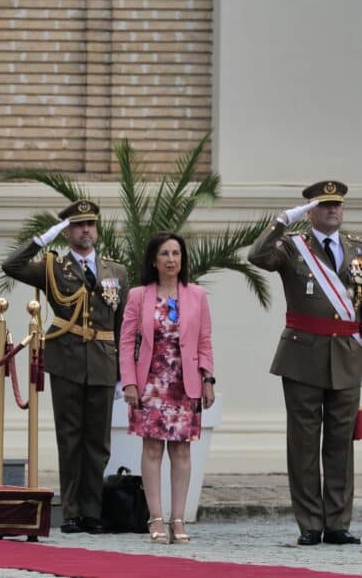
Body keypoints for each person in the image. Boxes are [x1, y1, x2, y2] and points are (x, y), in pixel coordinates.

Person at [2, 200, 128, 534]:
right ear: (67, 232)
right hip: (67, 360)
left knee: (98, 442)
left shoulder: (116, 271)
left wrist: (122, 374)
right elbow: (11, 266)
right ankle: (72, 511)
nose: (86, 230)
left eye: (90, 224)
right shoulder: (53, 267)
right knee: (70, 438)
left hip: (103, 361)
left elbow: (124, 326)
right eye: (77, 225)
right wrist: (43, 240)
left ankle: (93, 511)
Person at [247, 180, 362, 546]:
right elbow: (257, 256)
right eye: (325, 205)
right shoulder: (293, 247)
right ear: (310, 211)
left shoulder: (357, 249)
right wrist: (283, 220)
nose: (332, 210)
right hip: (302, 357)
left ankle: (339, 523)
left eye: (337, 205)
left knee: (341, 444)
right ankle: (310, 523)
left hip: (347, 355)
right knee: (304, 444)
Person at [118, 231, 214, 544]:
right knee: (153, 448)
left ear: (182, 259)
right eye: (165, 254)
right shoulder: (138, 296)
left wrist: (208, 378)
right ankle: (156, 517)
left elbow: (204, 340)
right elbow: (126, 342)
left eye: (176, 253)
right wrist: (130, 382)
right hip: (151, 382)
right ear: (154, 261)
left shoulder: (196, 295)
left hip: (185, 383)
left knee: (182, 449)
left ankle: (178, 518)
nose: (171, 259)